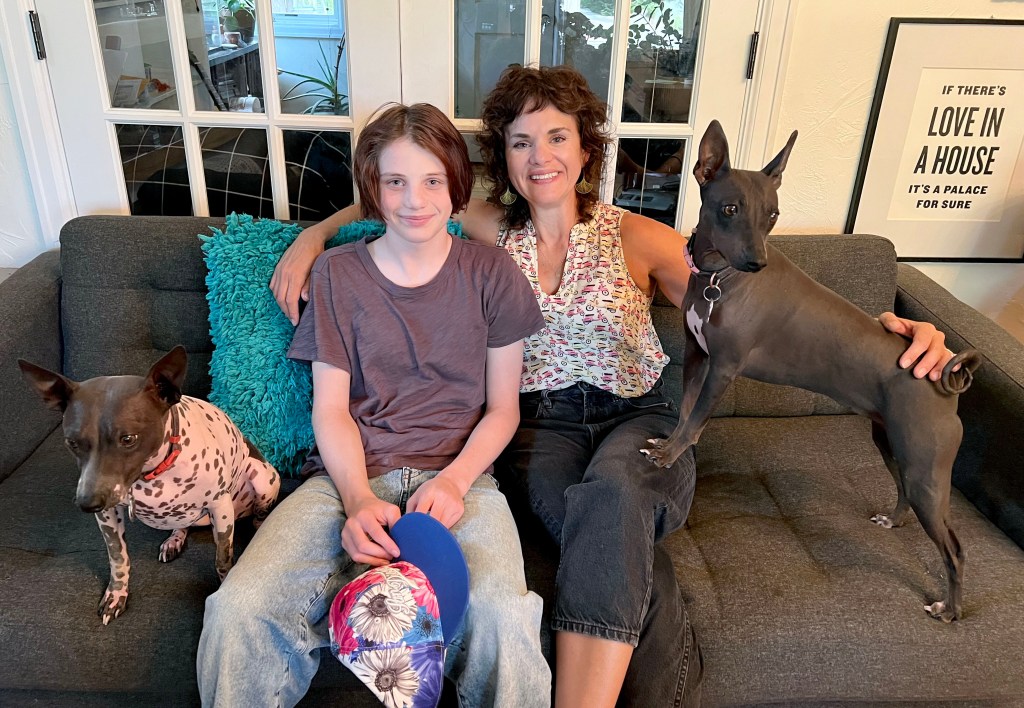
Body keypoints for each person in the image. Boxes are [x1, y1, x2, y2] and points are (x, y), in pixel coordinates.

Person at [271, 66, 955, 708]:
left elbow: (762, 302)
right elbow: (390, 205)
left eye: (558, 136)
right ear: (503, 159)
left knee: (617, 493)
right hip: (539, 427)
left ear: (586, 147)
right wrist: (311, 240)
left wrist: (890, 333)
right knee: (615, 538)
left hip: (638, 416)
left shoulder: (638, 235)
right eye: (521, 141)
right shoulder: (481, 228)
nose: (541, 156)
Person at [198, 102, 552, 708]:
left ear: (455, 185)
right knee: (238, 610)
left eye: (432, 180)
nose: (415, 199)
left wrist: (458, 482)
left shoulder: (493, 273)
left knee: (502, 617)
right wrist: (358, 497)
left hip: (459, 482)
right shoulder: (338, 274)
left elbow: (503, 411)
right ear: (374, 189)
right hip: (343, 480)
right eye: (396, 181)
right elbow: (330, 409)